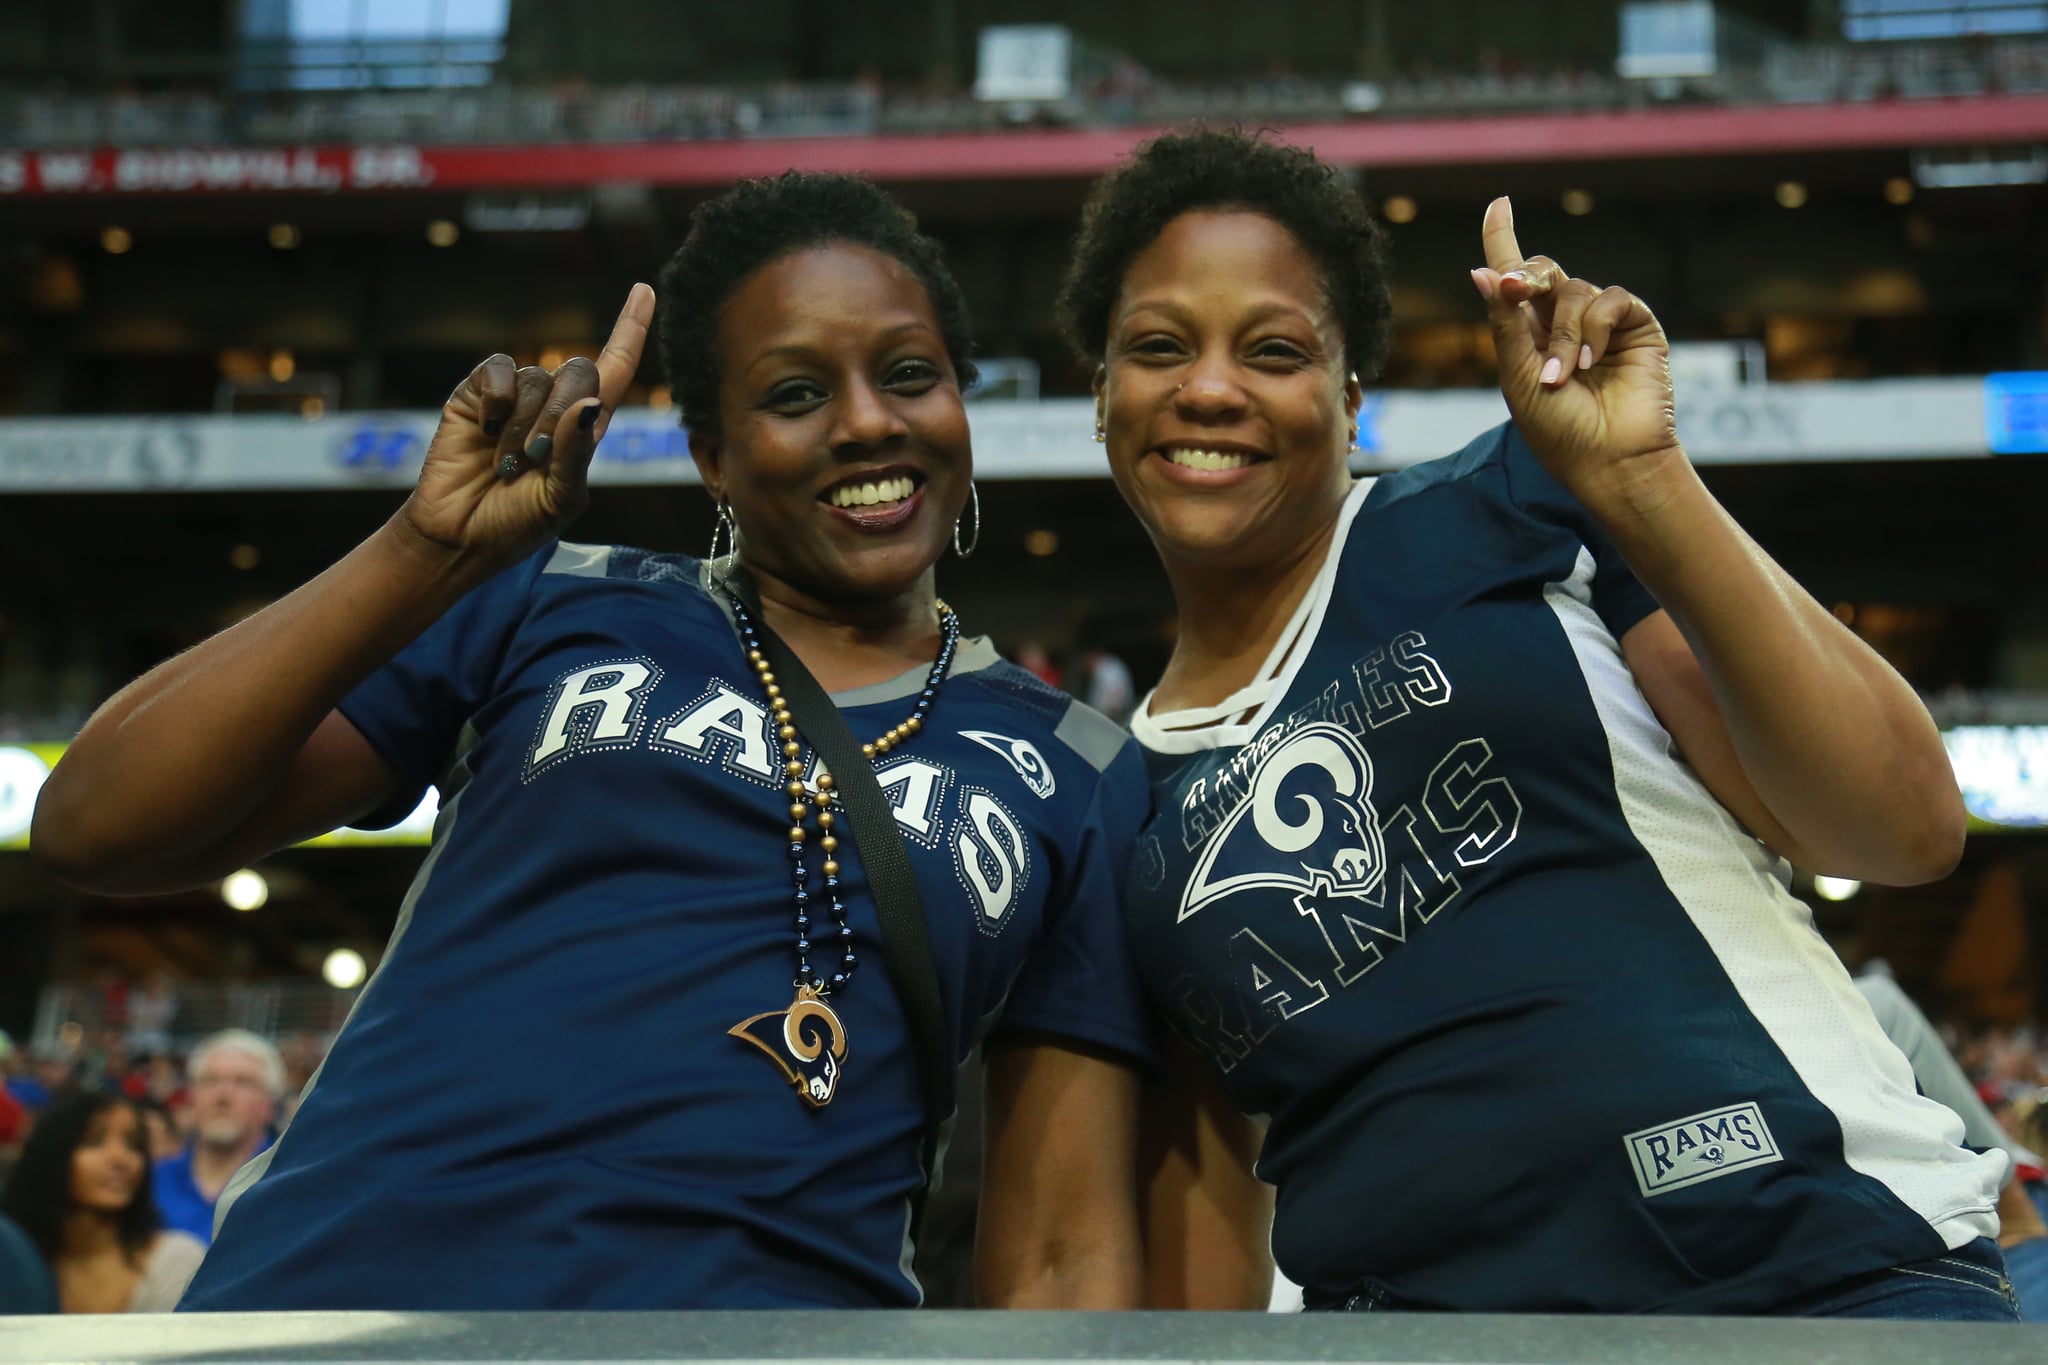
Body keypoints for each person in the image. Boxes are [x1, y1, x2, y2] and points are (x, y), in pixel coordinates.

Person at [32, 171, 1152, 1311]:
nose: (867, 419)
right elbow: (95, 827)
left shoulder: (1078, 766)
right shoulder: (547, 601)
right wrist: (428, 549)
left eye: (908, 375)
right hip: (349, 1300)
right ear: (713, 458)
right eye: (796, 391)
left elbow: (1063, 1249)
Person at [1059, 129, 2013, 1319]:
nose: (1208, 387)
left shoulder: (1507, 503)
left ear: (1349, 396)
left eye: (1271, 349)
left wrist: (1641, 478)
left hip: (1812, 1282)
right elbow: (1200, 1217)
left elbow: (1902, 829)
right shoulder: (1113, 801)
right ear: (1101, 395)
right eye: (1157, 348)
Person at [0, 1092, 205, 1312]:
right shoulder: (14, 1261)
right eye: (94, 1142)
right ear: (53, 1153)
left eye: (134, 1145)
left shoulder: (178, 1262)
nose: (120, 1159)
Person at [150, 1030, 279, 1245]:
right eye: (210, 1081)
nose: (223, 1096)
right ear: (192, 1097)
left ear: (269, 1103)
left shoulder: (288, 1186)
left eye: (242, 1082)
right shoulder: (152, 1181)